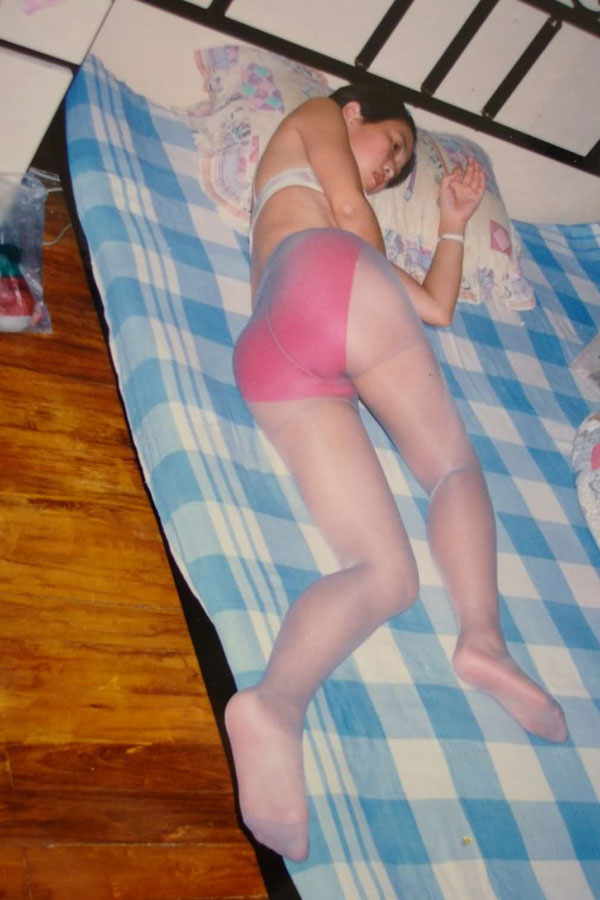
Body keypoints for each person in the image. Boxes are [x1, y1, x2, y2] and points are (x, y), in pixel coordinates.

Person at [226, 83, 568, 863]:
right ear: (354, 112)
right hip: (325, 275)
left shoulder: (316, 204)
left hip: (272, 352)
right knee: (451, 466)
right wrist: (373, 250)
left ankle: (275, 705)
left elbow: (437, 308)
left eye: (399, 171)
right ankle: (483, 638)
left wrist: (451, 224)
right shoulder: (318, 115)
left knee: (386, 574)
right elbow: (352, 216)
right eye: (396, 148)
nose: (388, 173)